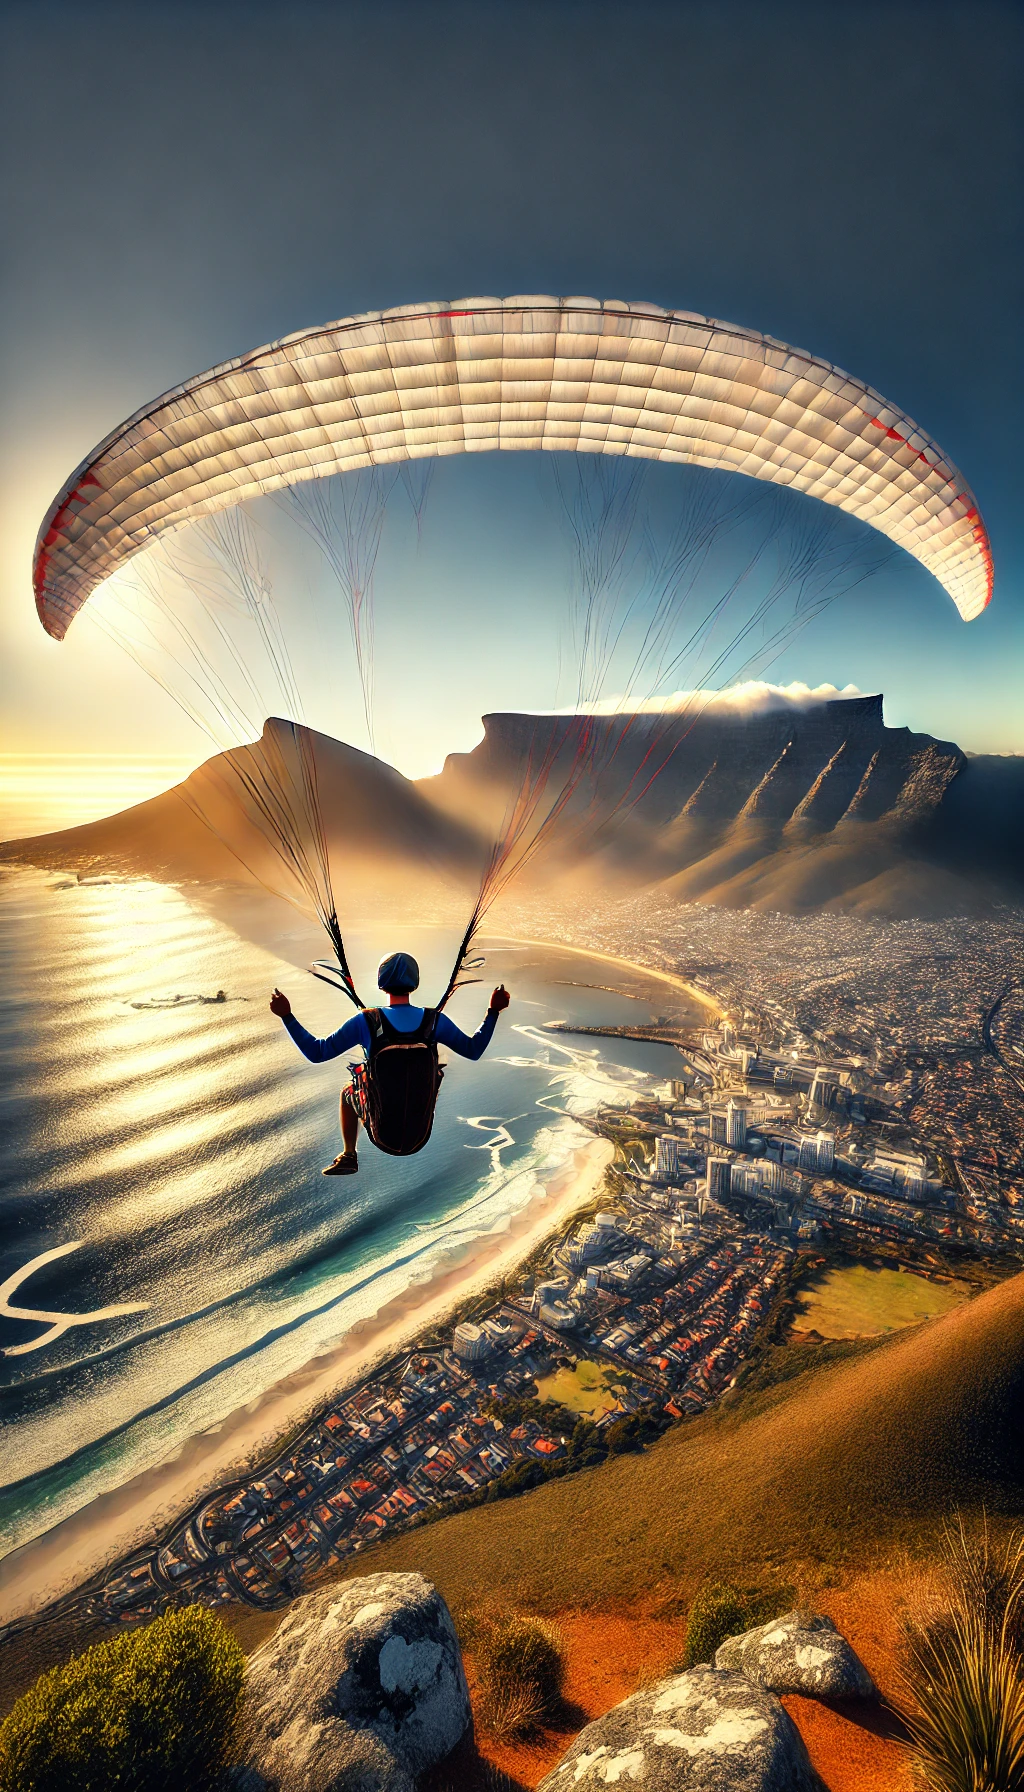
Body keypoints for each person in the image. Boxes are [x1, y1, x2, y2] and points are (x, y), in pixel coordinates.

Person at [270, 950, 511, 1174]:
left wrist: (287, 1016)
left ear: (381, 984)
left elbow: (317, 1052)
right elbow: (473, 1049)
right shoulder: (434, 1020)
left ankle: (349, 1155)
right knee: (434, 1067)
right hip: (419, 1136)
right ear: (414, 983)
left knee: (347, 1092)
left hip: (383, 1136)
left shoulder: (367, 1021)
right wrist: (493, 1011)